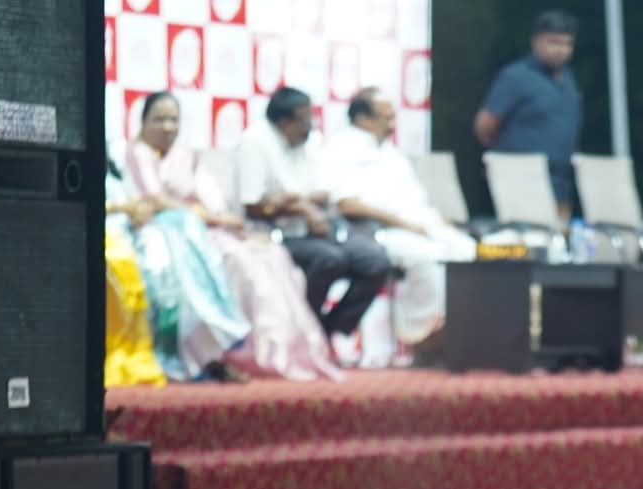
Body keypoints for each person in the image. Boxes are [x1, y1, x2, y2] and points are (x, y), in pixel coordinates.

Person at [124, 93, 340, 383]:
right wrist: (215, 219)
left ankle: (275, 353)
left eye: (173, 119)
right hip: (173, 234)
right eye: (159, 119)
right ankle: (222, 353)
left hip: (208, 227)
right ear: (143, 122)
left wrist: (229, 222)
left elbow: (212, 198)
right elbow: (156, 200)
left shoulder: (186, 154)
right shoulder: (137, 153)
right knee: (240, 262)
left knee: (272, 255)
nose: (167, 127)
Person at [236, 86, 393, 342]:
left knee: (375, 261)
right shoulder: (254, 143)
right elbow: (254, 205)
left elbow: (324, 193)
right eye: (305, 120)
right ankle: (302, 333)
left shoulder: (311, 141)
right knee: (330, 259)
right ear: (284, 122)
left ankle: (324, 331)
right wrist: (301, 206)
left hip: (318, 228)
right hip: (274, 235)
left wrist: (290, 200)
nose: (311, 125)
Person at [326, 86, 477, 349]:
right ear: (362, 118)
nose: (392, 124)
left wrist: (438, 224)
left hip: (416, 226)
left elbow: (416, 201)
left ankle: (460, 331)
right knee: (427, 256)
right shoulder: (339, 149)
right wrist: (405, 225)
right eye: (386, 117)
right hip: (374, 230)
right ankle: (420, 335)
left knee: (466, 250)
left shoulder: (391, 153)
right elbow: (347, 205)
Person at [475, 11, 583, 219]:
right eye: (553, 42)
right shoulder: (516, 76)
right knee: (527, 242)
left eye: (567, 44)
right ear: (536, 41)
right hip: (521, 177)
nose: (560, 50)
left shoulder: (568, 79)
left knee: (558, 242)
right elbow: (485, 125)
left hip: (560, 178)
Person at [103, 163, 168, 389]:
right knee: (118, 260)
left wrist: (137, 212)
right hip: (103, 235)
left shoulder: (116, 174)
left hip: (130, 234)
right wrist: (122, 208)